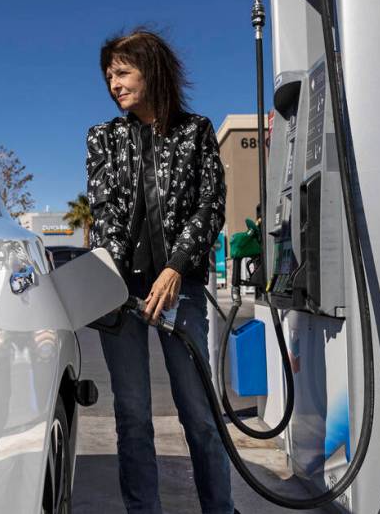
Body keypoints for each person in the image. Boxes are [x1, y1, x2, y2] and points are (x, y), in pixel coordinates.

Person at [86, 28, 234, 514]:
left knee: (198, 414)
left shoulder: (196, 132)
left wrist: (174, 268)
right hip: (120, 295)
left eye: (123, 72)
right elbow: (103, 210)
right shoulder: (103, 138)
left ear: (152, 72)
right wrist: (110, 281)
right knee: (132, 416)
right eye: (110, 75)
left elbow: (211, 206)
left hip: (180, 289)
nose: (114, 83)